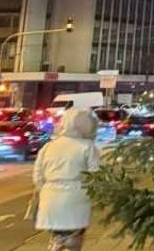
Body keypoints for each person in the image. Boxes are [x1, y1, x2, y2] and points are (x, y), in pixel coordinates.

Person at [32, 107, 100, 250]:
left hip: (50, 197)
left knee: (57, 233)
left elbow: (38, 176)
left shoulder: (48, 146)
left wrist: (45, 189)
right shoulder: (88, 147)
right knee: (75, 236)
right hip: (77, 196)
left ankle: (58, 242)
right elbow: (95, 175)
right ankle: (65, 242)